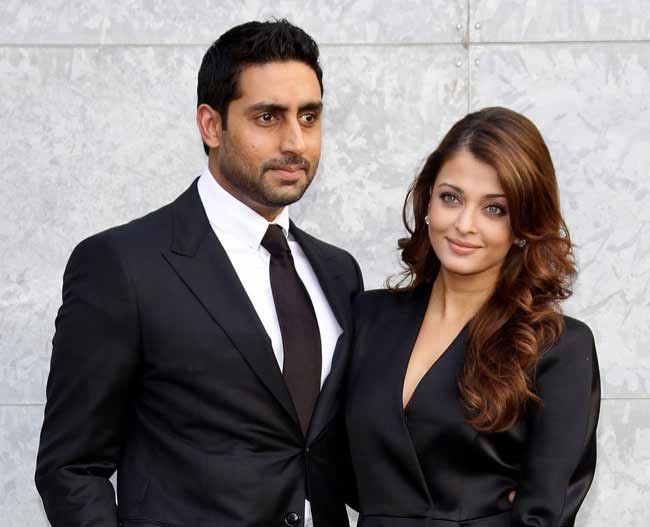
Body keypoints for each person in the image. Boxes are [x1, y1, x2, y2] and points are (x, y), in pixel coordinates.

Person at [35, 19, 362, 527]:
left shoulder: (339, 273)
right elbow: (71, 468)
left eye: (309, 116)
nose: (295, 141)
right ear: (211, 125)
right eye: (268, 117)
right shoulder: (122, 265)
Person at [346, 107, 600, 527]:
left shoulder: (559, 347)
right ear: (428, 199)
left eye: (494, 209)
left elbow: (544, 514)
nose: (465, 224)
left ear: (523, 226)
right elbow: (330, 461)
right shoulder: (367, 317)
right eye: (451, 197)